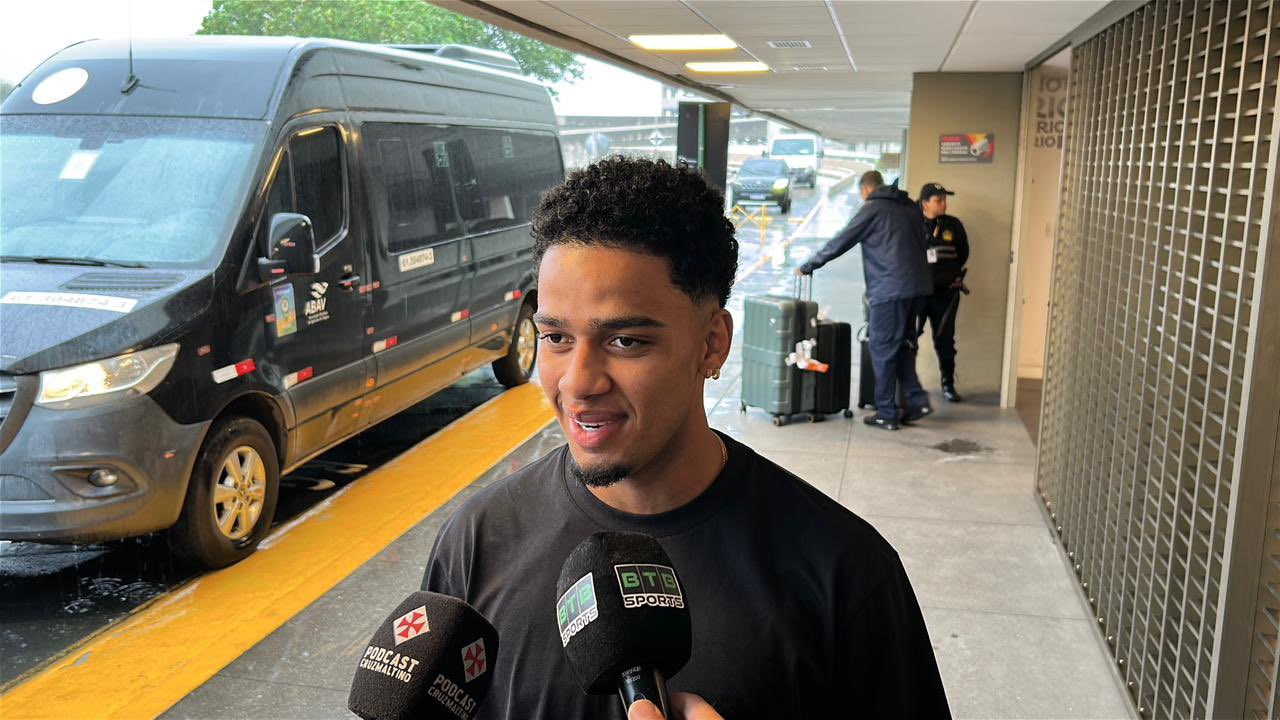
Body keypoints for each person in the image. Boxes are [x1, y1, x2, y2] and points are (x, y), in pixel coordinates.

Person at [423, 157, 950, 719]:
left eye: (626, 341)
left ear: (712, 344)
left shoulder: (845, 572)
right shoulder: (477, 540)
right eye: (555, 337)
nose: (577, 383)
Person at [797, 171, 933, 431]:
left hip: (890, 290)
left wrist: (809, 265)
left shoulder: (873, 208)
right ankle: (917, 401)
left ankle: (886, 412)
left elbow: (842, 241)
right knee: (903, 345)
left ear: (865, 189)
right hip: (918, 289)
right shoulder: (908, 206)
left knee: (881, 347)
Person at [918, 183, 969, 402]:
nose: (944, 204)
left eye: (945, 200)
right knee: (908, 339)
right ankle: (906, 386)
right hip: (917, 294)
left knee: (945, 341)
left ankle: (948, 384)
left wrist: (948, 275)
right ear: (925, 203)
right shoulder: (912, 223)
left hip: (945, 295)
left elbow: (963, 253)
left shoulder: (953, 225)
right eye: (938, 200)